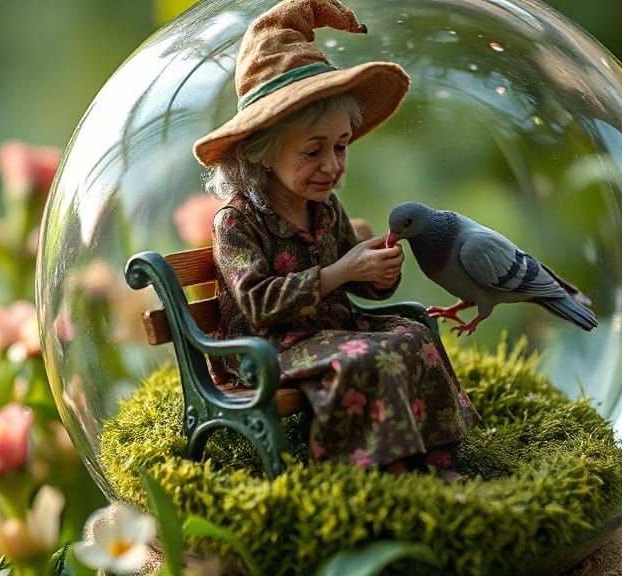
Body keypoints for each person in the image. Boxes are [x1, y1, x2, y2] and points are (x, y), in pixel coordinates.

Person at [192, 0, 479, 479]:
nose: (332, 165)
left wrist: (380, 272)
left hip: (329, 330)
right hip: (269, 349)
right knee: (369, 355)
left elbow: (361, 281)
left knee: (413, 332)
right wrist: (342, 272)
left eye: (341, 146)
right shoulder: (236, 222)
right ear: (262, 151)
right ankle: (373, 471)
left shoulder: (324, 206)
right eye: (312, 151)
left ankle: (436, 460)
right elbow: (259, 302)